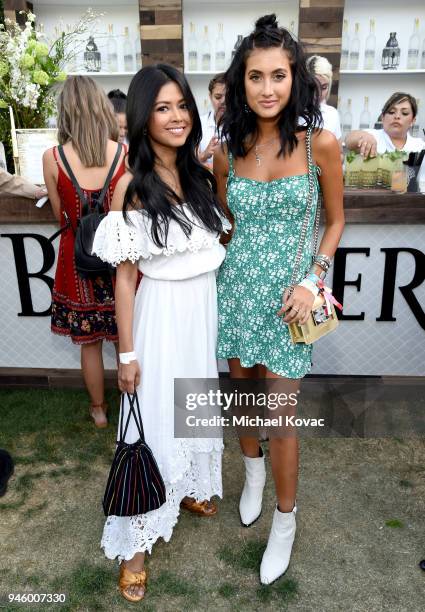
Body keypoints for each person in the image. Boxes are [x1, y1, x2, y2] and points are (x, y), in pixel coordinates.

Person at [214, 14, 344, 585]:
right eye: (255, 77)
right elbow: (225, 225)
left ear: (296, 80)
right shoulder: (226, 148)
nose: (267, 88)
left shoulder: (322, 145)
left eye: (279, 76)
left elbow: (335, 222)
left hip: (292, 301)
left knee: (282, 418)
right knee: (241, 395)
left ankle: (284, 524)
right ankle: (252, 474)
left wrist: (314, 279)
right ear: (240, 83)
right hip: (236, 291)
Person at [92, 64, 228, 602]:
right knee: (147, 422)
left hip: (200, 315)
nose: (176, 117)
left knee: (190, 408)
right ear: (143, 117)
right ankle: (135, 550)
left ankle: (188, 487)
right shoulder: (131, 185)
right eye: (163, 108)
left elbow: (210, 240)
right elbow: (125, 281)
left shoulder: (197, 174)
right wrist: (126, 354)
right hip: (160, 319)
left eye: (183, 106)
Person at [43, 76, 126, 428]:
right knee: (127, 338)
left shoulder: (53, 158)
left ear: (66, 112)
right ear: (101, 108)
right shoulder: (123, 153)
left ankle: (99, 411)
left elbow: (59, 214)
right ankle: (132, 406)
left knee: (89, 344)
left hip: (77, 262)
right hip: (119, 260)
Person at [346, 92, 425, 157]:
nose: (397, 116)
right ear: (383, 118)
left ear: (413, 121)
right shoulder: (373, 135)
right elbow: (348, 140)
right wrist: (364, 137)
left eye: (404, 113)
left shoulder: (419, 146)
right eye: (391, 112)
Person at [306, 55, 342, 147]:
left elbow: (340, 154)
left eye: (324, 87)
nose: (318, 94)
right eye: (313, 87)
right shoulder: (290, 112)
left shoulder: (332, 114)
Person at [198, 73, 226, 165]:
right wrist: (205, 155)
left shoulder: (243, 127)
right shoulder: (199, 123)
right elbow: (188, 162)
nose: (223, 101)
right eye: (218, 97)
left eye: (229, 97)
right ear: (210, 96)